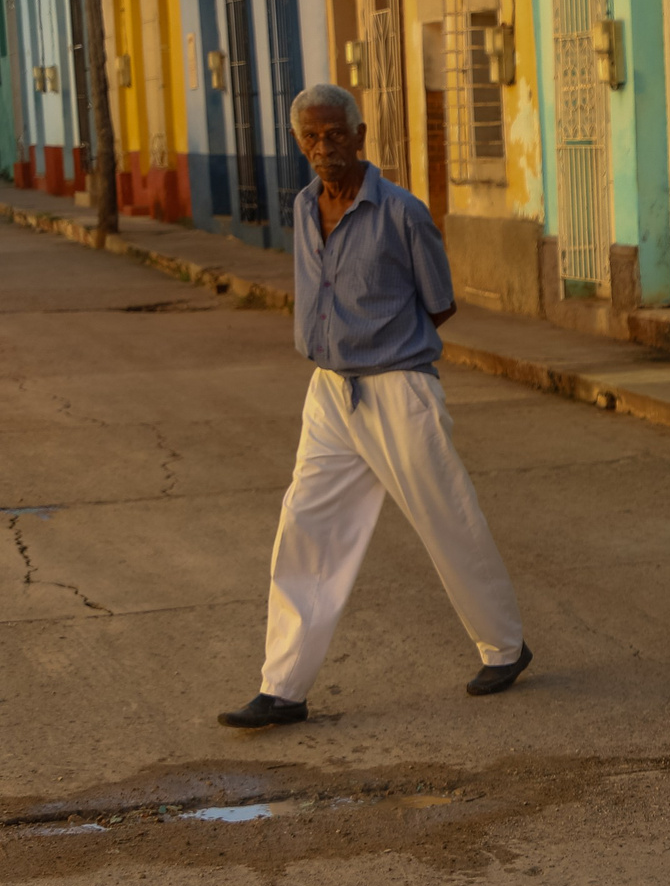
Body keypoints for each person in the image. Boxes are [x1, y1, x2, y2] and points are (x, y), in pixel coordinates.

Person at [216, 83, 530, 729]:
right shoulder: (304, 206)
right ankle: (284, 686)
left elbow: (439, 300)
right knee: (305, 525)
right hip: (329, 392)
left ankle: (505, 646)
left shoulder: (401, 212)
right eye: (310, 135)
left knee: (447, 521)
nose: (322, 146)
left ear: (360, 136)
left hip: (398, 387)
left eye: (334, 133)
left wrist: (383, 335)